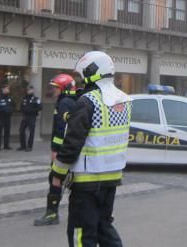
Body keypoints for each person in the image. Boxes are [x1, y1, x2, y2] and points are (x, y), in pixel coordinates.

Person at [52, 51, 131, 247]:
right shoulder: (124, 100)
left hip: (86, 181)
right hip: (111, 179)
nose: (81, 79)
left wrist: (57, 173)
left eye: (82, 75)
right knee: (104, 228)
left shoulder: (88, 101)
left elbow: (72, 143)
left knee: (81, 233)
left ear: (91, 72)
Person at [34, 74, 79, 227]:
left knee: (55, 178)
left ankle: (52, 214)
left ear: (65, 88)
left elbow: (61, 129)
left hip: (62, 150)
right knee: (67, 180)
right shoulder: (71, 101)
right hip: (70, 148)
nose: (53, 90)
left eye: (56, 87)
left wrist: (55, 150)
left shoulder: (64, 103)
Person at [18, 86, 42, 152]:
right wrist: (24, 110)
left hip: (32, 117)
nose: (29, 91)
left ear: (33, 91)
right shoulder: (24, 99)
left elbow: (40, 107)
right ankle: (23, 146)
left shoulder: (36, 99)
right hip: (25, 117)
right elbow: (21, 107)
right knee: (21, 131)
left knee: (31, 132)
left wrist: (31, 111)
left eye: (30, 90)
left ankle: (29, 146)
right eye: (28, 90)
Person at [0, 85, 14, 151]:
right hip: (0, 117)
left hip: (8, 117)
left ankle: (6, 145)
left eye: (8, 89)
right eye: (7, 89)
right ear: (3, 89)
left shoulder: (9, 98)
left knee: (7, 131)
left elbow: (13, 105)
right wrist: (1, 112)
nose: (8, 90)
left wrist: (11, 111)